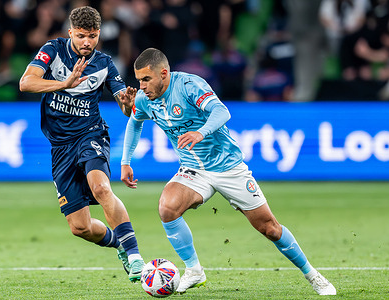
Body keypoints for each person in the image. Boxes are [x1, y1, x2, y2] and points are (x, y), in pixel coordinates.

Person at [121, 48, 337, 295]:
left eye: (146, 79)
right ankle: (194, 271)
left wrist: (200, 132)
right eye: (139, 80)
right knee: (167, 208)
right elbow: (134, 122)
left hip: (228, 167)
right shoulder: (143, 98)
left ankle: (313, 275)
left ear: (164, 73)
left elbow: (222, 111)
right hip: (193, 169)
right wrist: (125, 161)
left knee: (270, 228)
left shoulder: (190, 85)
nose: (141, 86)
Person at [19, 6, 144, 282]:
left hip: (91, 134)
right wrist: (63, 84)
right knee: (80, 227)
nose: (87, 42)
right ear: (70, 32)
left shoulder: (105, 63)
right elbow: (26, 83)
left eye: (93, 36)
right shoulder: (52, 50)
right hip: (60, 147)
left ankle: (136, 256)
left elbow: (126, 104)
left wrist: (127, 103)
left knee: (100, 187)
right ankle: (119, 244)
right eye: (81, 36)